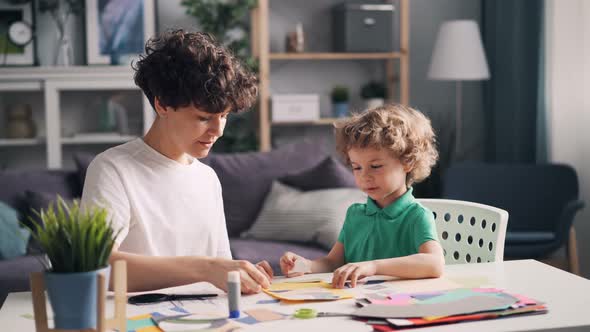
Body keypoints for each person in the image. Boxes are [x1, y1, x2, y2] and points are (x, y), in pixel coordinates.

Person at [81, 29, 273, 294]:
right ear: (162, 105)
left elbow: (219, 266)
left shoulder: (207, 179)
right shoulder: (113, 169)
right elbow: (94, 265)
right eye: (204, 118)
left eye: (225, 116)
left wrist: (242, 275)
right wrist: (205, 269)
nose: (218, 131)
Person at [280, 104, 444, 288]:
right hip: (354, 303)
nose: (365, 176)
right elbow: (333, 263)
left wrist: (374, 266)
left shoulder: (416, 216)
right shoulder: (355, 214)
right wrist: (307, 265)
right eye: (356, 167)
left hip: (400, 305)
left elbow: (434, 264)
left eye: (375, 166)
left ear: (408, 162)